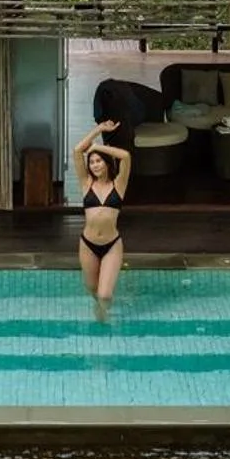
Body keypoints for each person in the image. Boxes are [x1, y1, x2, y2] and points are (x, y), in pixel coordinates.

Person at [73, 119, 132, 319]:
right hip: (88, 244)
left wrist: (98, 147)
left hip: (111, 244)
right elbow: (77, 151)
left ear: (106, 163)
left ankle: (102, 314)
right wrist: (98, 130)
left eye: (99, 161)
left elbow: (125, 156)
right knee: (92, 288)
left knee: (104, 294)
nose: (95, 165)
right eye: (92, 162)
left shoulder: (119, 185)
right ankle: (100, 307)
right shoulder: (86, 183)